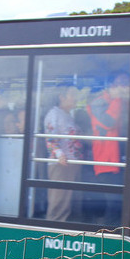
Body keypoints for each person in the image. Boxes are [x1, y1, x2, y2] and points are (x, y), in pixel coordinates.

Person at [87, 72, 129, 223]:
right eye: (121, 84)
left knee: (120, 201)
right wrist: (117, 99)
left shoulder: (121, 102)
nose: (124, 88)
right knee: (113, 202)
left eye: (126, 84)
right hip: (106, 159)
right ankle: (107, 231)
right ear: (112, 86)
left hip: (118, 156)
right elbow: (109, 122)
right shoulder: (99, 103)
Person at [44, 85, 83, 221]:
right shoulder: (54, 114)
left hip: (72, 163)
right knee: (59, 201)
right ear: (61, 97)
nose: (76, 98)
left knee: (68, 201)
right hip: (61, 164)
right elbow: (50, 138)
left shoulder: (68, 115)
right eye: (72, 95)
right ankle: (52, 228)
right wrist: (59, 154)